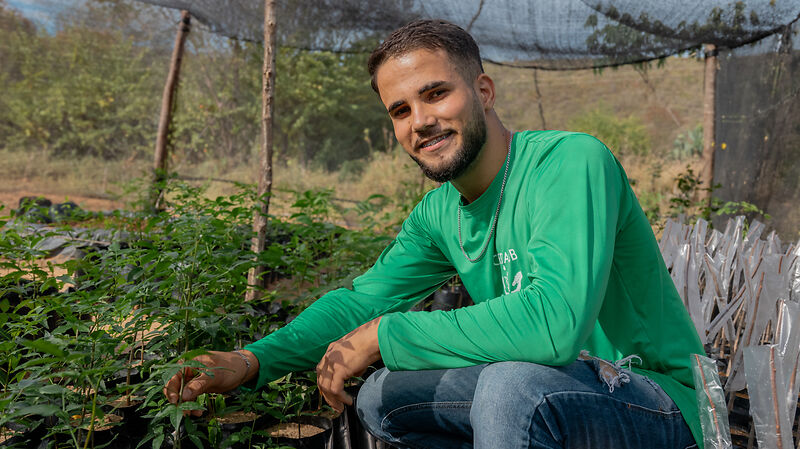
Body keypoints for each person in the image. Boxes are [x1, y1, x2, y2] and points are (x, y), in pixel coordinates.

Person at [164, 19, 704, 449]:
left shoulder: (568, 162)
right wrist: (252, 360)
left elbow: (555, 327)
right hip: (547, 388)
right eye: (400, 110)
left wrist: (385, 334)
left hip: (654, 401)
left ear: (484, 91)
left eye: (436, 94)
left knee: (509, 386)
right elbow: (362, 298)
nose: (420, 121)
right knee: (381, 398)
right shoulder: (438, 213)